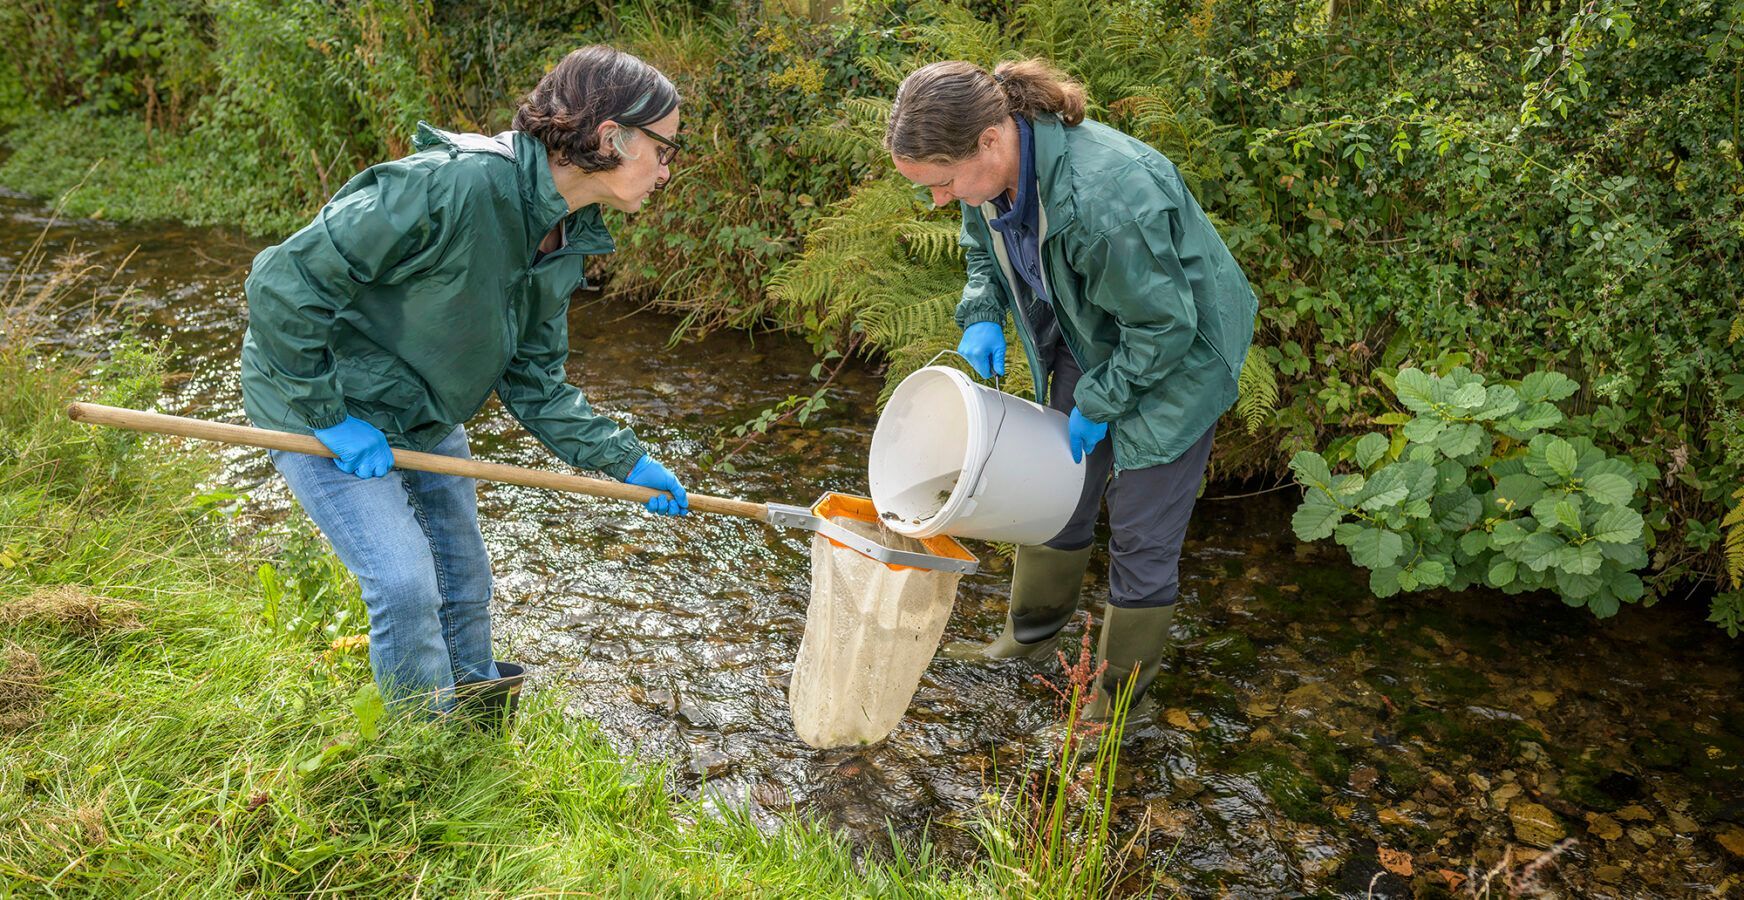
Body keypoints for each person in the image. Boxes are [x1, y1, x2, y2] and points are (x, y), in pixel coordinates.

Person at [240, 45, 691, 718]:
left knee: (464, 583)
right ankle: (421, 760)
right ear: (613, 137)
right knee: (403, 586)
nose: (665, 170)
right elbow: (281, 283)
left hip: (422, 416)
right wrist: (326, 413)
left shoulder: (567, 235)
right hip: (321, 407)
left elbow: (533, 378)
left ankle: (475, 742)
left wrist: (623, 460)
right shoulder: (454, 184)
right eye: (665, 150)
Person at [886, 59, 1257, 719]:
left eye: (941, 183)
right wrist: (980, 310)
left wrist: (1100, 401)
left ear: (990, 142)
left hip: (1180, 359)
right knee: (1053, 492)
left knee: (1142, 535)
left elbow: (1166, 328)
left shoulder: (1105, 196)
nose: (939, 200)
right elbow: (983, 243)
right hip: (1097, 339)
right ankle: (1028, 643)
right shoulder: (993, 178)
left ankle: (1117, 711)